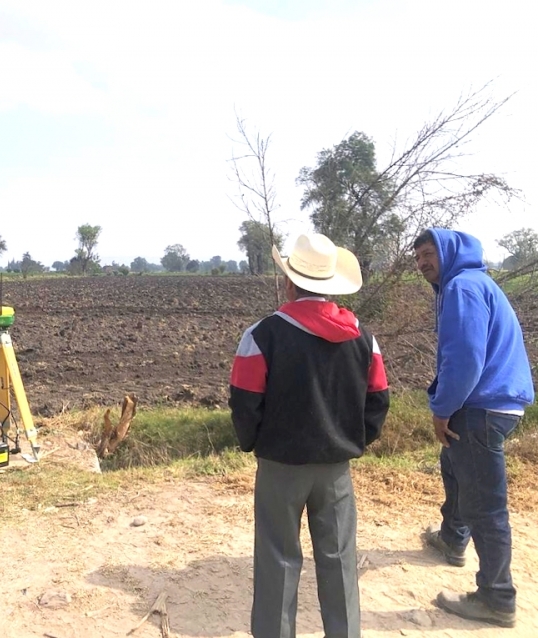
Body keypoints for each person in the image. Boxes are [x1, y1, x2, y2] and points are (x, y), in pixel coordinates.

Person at [229, 233, 390, 638]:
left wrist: (255, 443)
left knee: (278, 558)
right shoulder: (363, 337)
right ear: (332, 284)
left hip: (281, 464)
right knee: (339, 558)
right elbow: (378, 400)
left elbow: (245, 404)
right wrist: (352, 440)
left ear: (289, 282)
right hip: (337, 469)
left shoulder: (262, 335)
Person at [413, 228, 534, 628]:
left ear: (448, 253)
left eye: (429, 254)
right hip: (494, 402)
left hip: (480, 406)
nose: (423, 263)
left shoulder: (462, 288)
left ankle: (496, 598)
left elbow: (464, 360)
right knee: (454, 463)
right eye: (418, 258)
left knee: (486, 504)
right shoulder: (471, 283)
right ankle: (452, 537)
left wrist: (441, 409)